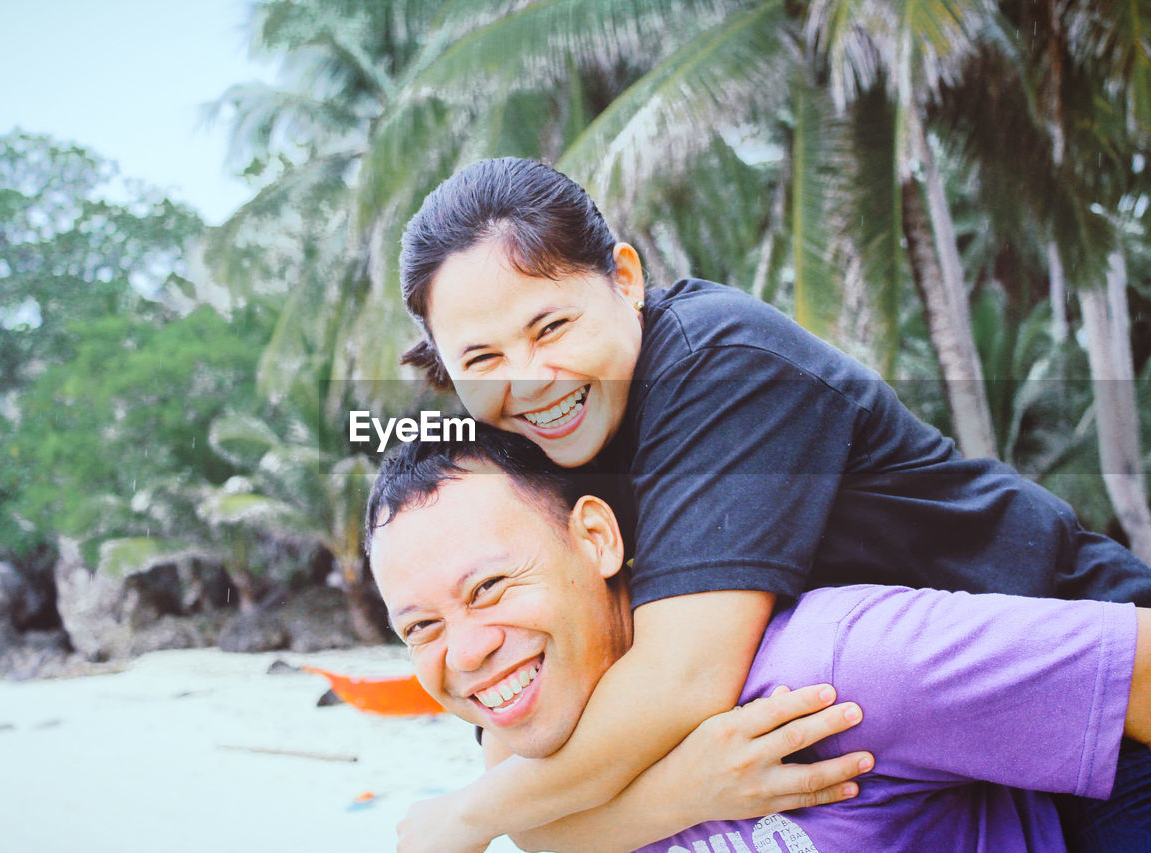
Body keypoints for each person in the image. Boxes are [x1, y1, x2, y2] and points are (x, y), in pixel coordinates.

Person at [390, 156, 1151, 852]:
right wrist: (667, 795)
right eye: (481, 359)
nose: (530, 379)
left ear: (626, 278)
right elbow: (531, 781)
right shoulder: (536, 445)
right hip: (943, 760)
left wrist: (467, 816)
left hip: (1092, 684)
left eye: (550, 324)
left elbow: (682, 683)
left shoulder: (721, 364)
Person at [365, 430, 1151, 853]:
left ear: (600, 538)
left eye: (490, 587)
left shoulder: (841, 670)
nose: (465, 653)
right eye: (421, 627)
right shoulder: (535, 782)